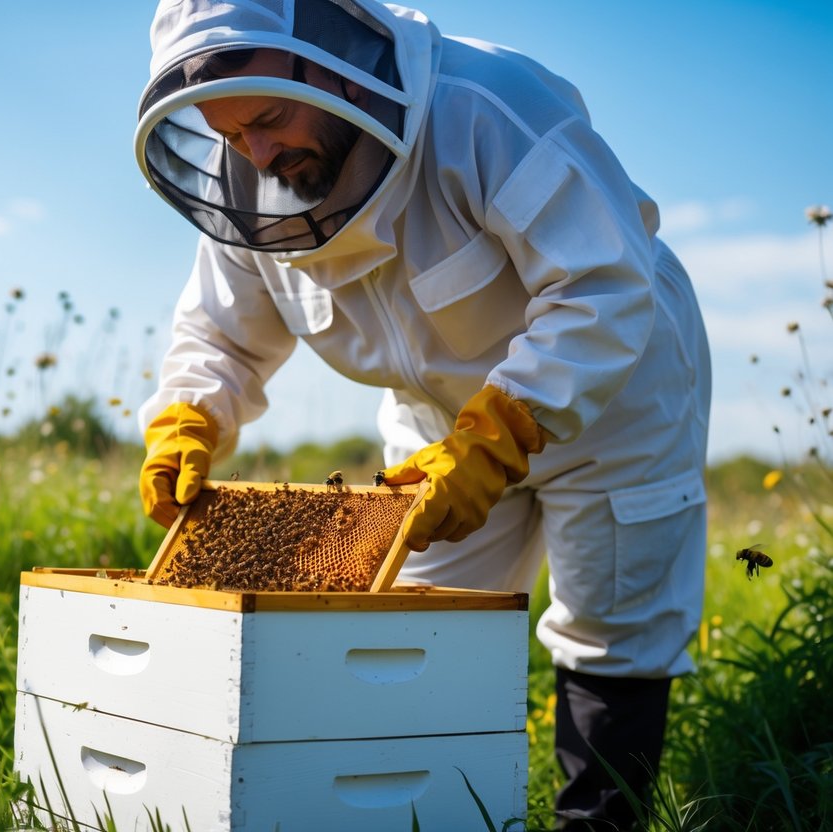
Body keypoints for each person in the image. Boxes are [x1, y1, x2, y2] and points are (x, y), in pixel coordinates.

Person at [133, 1, 710, 829]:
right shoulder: (250, 184)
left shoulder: (487, 107)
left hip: (617, 388)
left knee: (612, 623)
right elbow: (219, 334)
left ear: (331, 59)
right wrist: (186, 417)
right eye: (230, 135)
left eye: (267, 118)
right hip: (434, 423)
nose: (257, 153)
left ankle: (598, 823)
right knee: (415, 627)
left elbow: (599, 284)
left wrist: (502, 433)